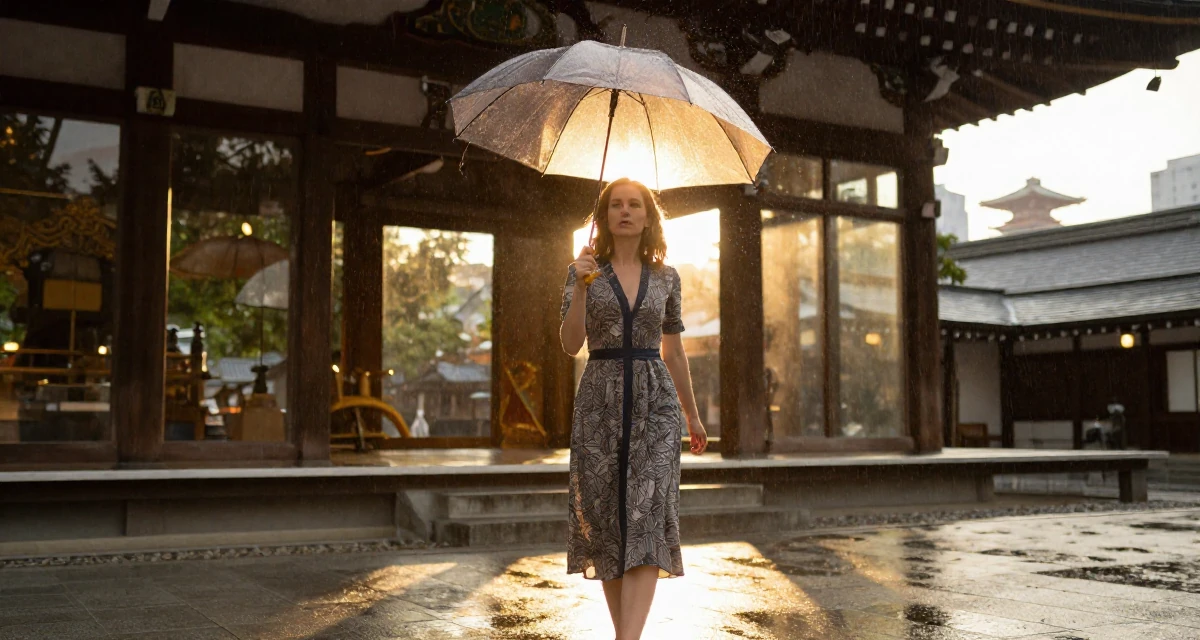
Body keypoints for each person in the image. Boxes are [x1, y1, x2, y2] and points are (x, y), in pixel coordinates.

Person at [559, 177, 708, 640]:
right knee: (608, 521)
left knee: (645, 513)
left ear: (648, 216)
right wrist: (581, 286)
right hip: (599, 400)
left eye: (635, 205)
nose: (625, 211)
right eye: (616, 205)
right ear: (604, 217)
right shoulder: (581, 270)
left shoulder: (667, 277)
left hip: (655, 402)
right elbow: (570, 344)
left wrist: (693, 413)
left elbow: (675, 351)